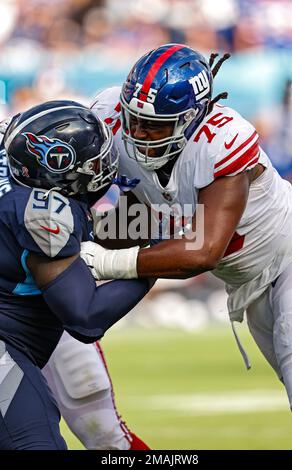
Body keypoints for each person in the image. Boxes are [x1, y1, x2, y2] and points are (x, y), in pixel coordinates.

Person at [81, 43, 292, 427]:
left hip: (291, 256)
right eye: (133, 119)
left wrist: (105, 263)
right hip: (251, 283)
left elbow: (203, 252)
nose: (138, 133)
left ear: (193, 117)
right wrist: (75, 235)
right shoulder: (109, 115)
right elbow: (139, 219)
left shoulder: (221, 139)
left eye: (155, 125)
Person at [0, 100, 152, 450]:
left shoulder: (18, 162)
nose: (104, 169)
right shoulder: (43, 211)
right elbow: (85, 317)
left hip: (25, 321)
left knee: (104, 434)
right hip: (14, 335)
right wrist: (154, 264)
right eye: (95, 163)